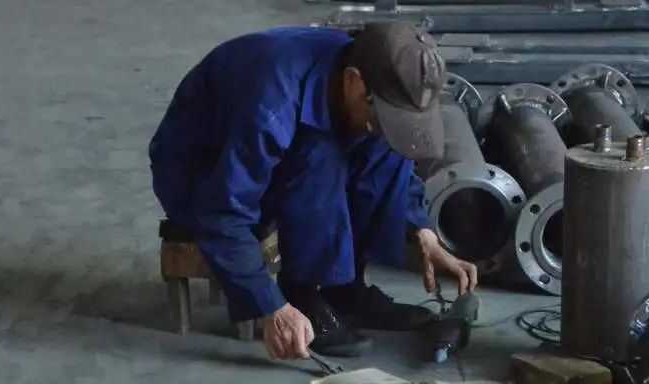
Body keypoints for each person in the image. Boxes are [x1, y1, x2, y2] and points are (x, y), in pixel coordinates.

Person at [150, 24, 478, 360]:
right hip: (200, 174)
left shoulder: (362, 69)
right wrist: (271, 306)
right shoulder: (270, 107)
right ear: (353, 81)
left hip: (264, 155)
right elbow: (224, 210)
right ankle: (301, 294)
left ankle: (345, 290)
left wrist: (423, 233)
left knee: (384, 143)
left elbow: (392, 158)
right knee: (319, 154)